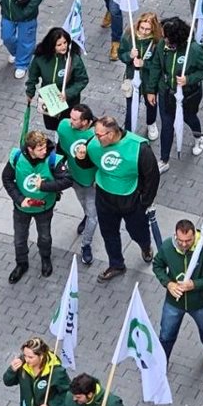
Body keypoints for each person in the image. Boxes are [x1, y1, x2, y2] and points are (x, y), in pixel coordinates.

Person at [73, 117, 160, 283]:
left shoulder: (139, 147)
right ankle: (116, 264)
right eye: (95, 134)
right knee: (108, 233)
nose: (96, 139)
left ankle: (145, 246)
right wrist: (81, 158)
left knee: (137, 231)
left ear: (112, 134)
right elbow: (87, 164)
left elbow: (152, 176)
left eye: (100, 135)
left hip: (131, 199)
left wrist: (145, 202)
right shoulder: (94, 144)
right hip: (105, 198)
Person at [2, 130, 74, 283]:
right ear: (30, 149)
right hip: (22, 208)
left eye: (44, 148)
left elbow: (68, 180)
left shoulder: (53, 159)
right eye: (40, 149)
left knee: (44, 236)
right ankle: (21, 264)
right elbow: (7, 179)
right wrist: (20, 199)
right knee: (19, 239)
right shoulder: (17, 158)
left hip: (44, 207)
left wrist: (44, 186)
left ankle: (45, 259)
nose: (44, 151)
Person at [152, 219, 203, 370]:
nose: (184, 244)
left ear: (195, 235)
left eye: (188, 241)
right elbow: (157, 265)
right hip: (174, 302)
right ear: (175, 235)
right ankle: (161, 362)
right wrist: (168, 283)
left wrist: (195, 284)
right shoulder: (167, 247)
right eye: (180, 240)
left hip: (199, 302)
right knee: (166, 334)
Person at [144, 17, 203, 172]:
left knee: (190, 118)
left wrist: (188, 79)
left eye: (165, 35)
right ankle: (164, 159)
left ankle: (198, 137)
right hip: (166, 93)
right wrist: (151, 90)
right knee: (167, 125)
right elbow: (156, 65)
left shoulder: (194, 50)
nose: (162, 37)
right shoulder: (162, 45)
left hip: (187, 95)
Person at [55, 104, 99, 266]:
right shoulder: (64, 127)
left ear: (86, 122)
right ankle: (86, 216)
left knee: (94, 217)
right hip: (74, 177)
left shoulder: (97, 136)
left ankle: (86, 245)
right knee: (85, 206)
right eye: (70, 117)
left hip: (91, 183)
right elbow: (61, 148)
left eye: (74, 119)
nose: (70, 121)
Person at [26, 27, 89, 131]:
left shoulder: (73, 59)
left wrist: (68, 93)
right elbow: (33, 76)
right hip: (49, 99)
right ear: (51, 45)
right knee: (51, 125)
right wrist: (30, 92)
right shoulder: (40, 58)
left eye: (65, 42)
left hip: (68, 101)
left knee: (67, 126)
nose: (63, 46)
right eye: (59, 45)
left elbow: (82, 80)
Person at [118, 12, 161, 140]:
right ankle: (129, 130)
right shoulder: (128, 36)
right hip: (132, 77)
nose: (144, 32)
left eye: (148, 29)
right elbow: (121, 54)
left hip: (149, 80)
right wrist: (129, 56)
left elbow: (159, 64)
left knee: (151, 103)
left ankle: (151, 123)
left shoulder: (157, 42)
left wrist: (144, 63)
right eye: (142, 28)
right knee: (131, 104)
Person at [3, 337, 70, 406]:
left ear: (41, 356)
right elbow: (7, 382)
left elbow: (67, 394)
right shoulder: (22, 363)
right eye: (25, 355)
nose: (26, 360)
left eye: (31, 357)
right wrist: (12, 370)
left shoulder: (56, 372)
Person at [57, 373, 128, 406]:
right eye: (73, 395)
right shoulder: (69, 397)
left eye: (78, 397)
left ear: (90, 394)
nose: (74, 399)